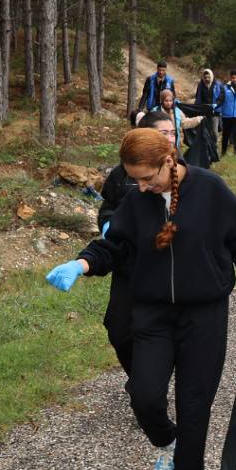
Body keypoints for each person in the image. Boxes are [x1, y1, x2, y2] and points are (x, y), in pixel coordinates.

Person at [46, 129, 236, 470]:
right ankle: (168, 445)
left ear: (169, 160)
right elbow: (113, 246)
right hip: (152, 314)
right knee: (145, 394)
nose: (140, 186)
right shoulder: (137, 202)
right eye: (133, 178)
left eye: (146, 177)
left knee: (194, 404)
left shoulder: (210, 190)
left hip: (203, 316)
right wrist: (82, 264)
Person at [97, 111, 179, 375]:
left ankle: (152, 382)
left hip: (162, 268)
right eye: (162, 133)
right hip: (126, 263)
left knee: (162, 330)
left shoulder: (180, 172)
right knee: (118, 328)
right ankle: (140, 377)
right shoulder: (121, 175)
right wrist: (109, 225)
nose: (170, 138)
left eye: (172, 132)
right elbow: (108, 207)